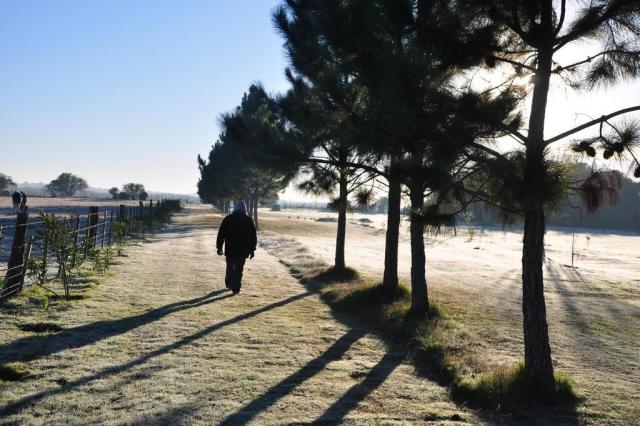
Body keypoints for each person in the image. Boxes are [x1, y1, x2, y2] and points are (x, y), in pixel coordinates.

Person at [216, 200, 257, 294]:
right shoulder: (248, 220)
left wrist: (219, 247)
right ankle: (236, 288)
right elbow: (253, 237)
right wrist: (252, 250)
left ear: (235, 208)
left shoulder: (228, 218)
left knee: (230, 267)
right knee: (239, 269)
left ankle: (229, 283)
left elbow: (221, 234)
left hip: (230, 249)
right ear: (245, 209)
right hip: (243, 250)